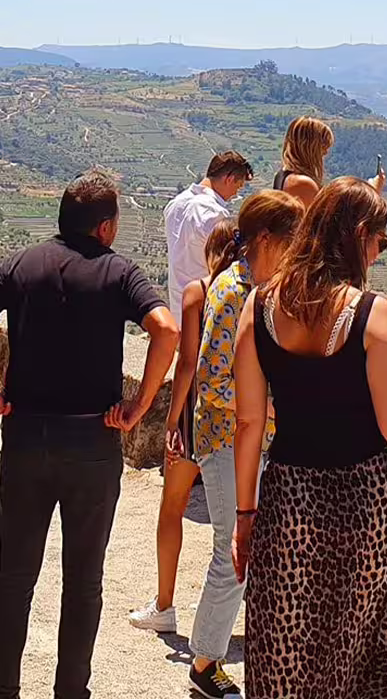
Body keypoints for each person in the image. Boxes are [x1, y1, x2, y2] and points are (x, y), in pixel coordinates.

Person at [231, 177, 387, 698]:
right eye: (380, 243)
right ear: (361, 234)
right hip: (366, 505)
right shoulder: (371, 314)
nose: (379, 254)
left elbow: (249, 421)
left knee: (288, 647)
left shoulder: (258, 306)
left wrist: (244, 515)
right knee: (364, 655)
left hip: (289, 500)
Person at [0, 172, 179, 699]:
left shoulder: (21, 263)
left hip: (25, 438)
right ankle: (71, 691)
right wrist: (139, 404)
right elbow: (165, 329)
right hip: (92, 444)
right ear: (105, 227)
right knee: (83, 581)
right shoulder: (118, 272)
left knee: (12, 577)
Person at [186, 191, 304, 699]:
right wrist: (275, 408)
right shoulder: (235, 291)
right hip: (224, 439)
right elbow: (212, 382)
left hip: (247, 438)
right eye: (290, 241)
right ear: (264, 240)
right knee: (232, 552)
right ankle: (205, 662)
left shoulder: (256, 287)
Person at [128, 219, 236, 633]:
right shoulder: (256, 294)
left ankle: (165, 605)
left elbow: (188, 362)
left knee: (171, 507)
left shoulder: (200, 291)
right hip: (238, 422)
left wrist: (172, 420)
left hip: (197, 417)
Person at [164, 151, 253, 323]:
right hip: (203, 304)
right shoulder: (215, 214)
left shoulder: (175, 204)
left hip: (177, 303)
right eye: (238, 186)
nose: (235, 194)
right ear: (228, 178)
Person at [272, 116, 387, 206]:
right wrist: (372, 192)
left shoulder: (282, 175)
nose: (325, 153)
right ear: (311, 148)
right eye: (323, 148)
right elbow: (325, 225)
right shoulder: (302, 184)